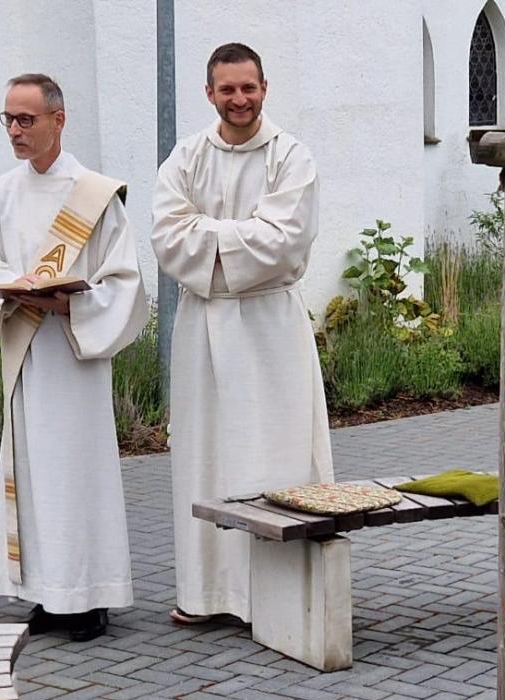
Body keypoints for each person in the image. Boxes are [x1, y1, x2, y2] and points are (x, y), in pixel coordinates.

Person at [0, 74, 148, 641]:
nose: (15, 131)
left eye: (27, 119)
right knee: (34, 474)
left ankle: (90, 598)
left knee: (79, 474)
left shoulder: (95, 195)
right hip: (25, 351)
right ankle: (44, 594)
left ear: (58, 121)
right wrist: (9, 285)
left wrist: (72, 304)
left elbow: (125, 280)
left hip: (74, 355)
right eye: (9, 120)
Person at [152, 42, 333, 626]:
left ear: (264, 88)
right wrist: (243, 233)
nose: (239, 99)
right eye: (227, 89)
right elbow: (167, 239)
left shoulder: (291, 157)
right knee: (204, 456)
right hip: (203, 328)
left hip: (269, 327)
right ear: (209, 93)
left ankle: (277, 596)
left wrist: (208, 235)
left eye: (248, 88)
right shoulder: (185, 158)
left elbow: (285, 240)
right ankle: (209, 595)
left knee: (277, 455)